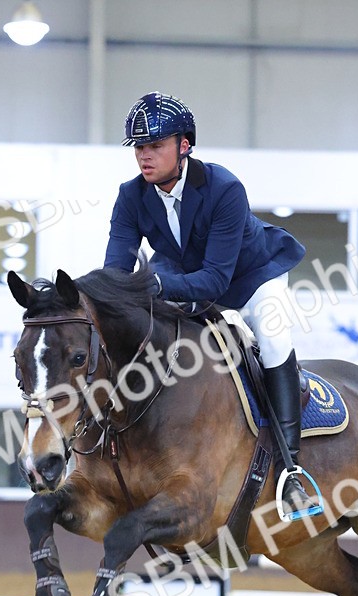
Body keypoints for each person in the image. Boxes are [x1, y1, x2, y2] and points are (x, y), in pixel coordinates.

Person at [104, 91, 321, 519]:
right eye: (139, 148)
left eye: (155, 146)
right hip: (182, 277)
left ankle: (290, 469)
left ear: (184, 145)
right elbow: (116, 273)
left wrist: (152, 287)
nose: (144, 157)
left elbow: (216, 280)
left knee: (274, 339)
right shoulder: (131, 196)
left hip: (248, 277)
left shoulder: (224, 187)